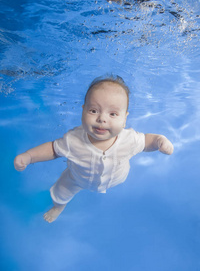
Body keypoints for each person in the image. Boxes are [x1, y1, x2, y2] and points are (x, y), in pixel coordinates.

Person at [14, 75, 174, 223]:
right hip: (76, 178)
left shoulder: (129, 139)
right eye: (93, 111)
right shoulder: (73, 139)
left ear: (125, 119)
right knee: (60, 193)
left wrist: (160, 141)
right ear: (83, 111)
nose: (102, 118)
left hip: (116, 178)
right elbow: (53, 149)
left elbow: (146, 141)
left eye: (112, 114)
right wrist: (29, 156)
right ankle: (58, 207)